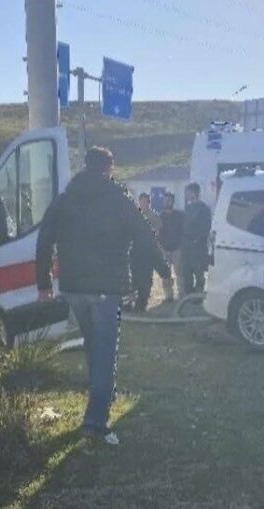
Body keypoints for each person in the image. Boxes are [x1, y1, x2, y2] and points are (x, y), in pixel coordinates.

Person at [35, 147, 160, 445]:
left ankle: (100, 393)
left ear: (85, 166)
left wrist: (43, 283)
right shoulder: (118, 198)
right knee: (104, 351)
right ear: (109, 168)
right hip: (106, 287)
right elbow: (144, 235)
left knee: (94, 345)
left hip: (73, 287)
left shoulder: (65, 199)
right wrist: (160, 271)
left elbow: (44, 240)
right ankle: (95, 419)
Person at [179, 183, 212, 296]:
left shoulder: (204, 209)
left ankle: (198, 296)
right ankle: (188, 295)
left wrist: (196, 240)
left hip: (198, 247)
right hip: (186, 246)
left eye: (187, 192)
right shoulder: (187, 208)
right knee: (186, 272)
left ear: (193, 193)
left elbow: (206, 228)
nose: (186, 195)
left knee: (199, 272)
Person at [156, 192, 184, 302]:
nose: (167, 202)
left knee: (180, 273)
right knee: (165, 274)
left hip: (177, 249)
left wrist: (181, 246)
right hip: (164, 249)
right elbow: (157, 232)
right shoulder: (160, 216)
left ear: (173, 201)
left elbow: (184, 231)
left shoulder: (180, 215)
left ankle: (182, 294)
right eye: (165, 200)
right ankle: (168, 295)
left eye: (169, 200)